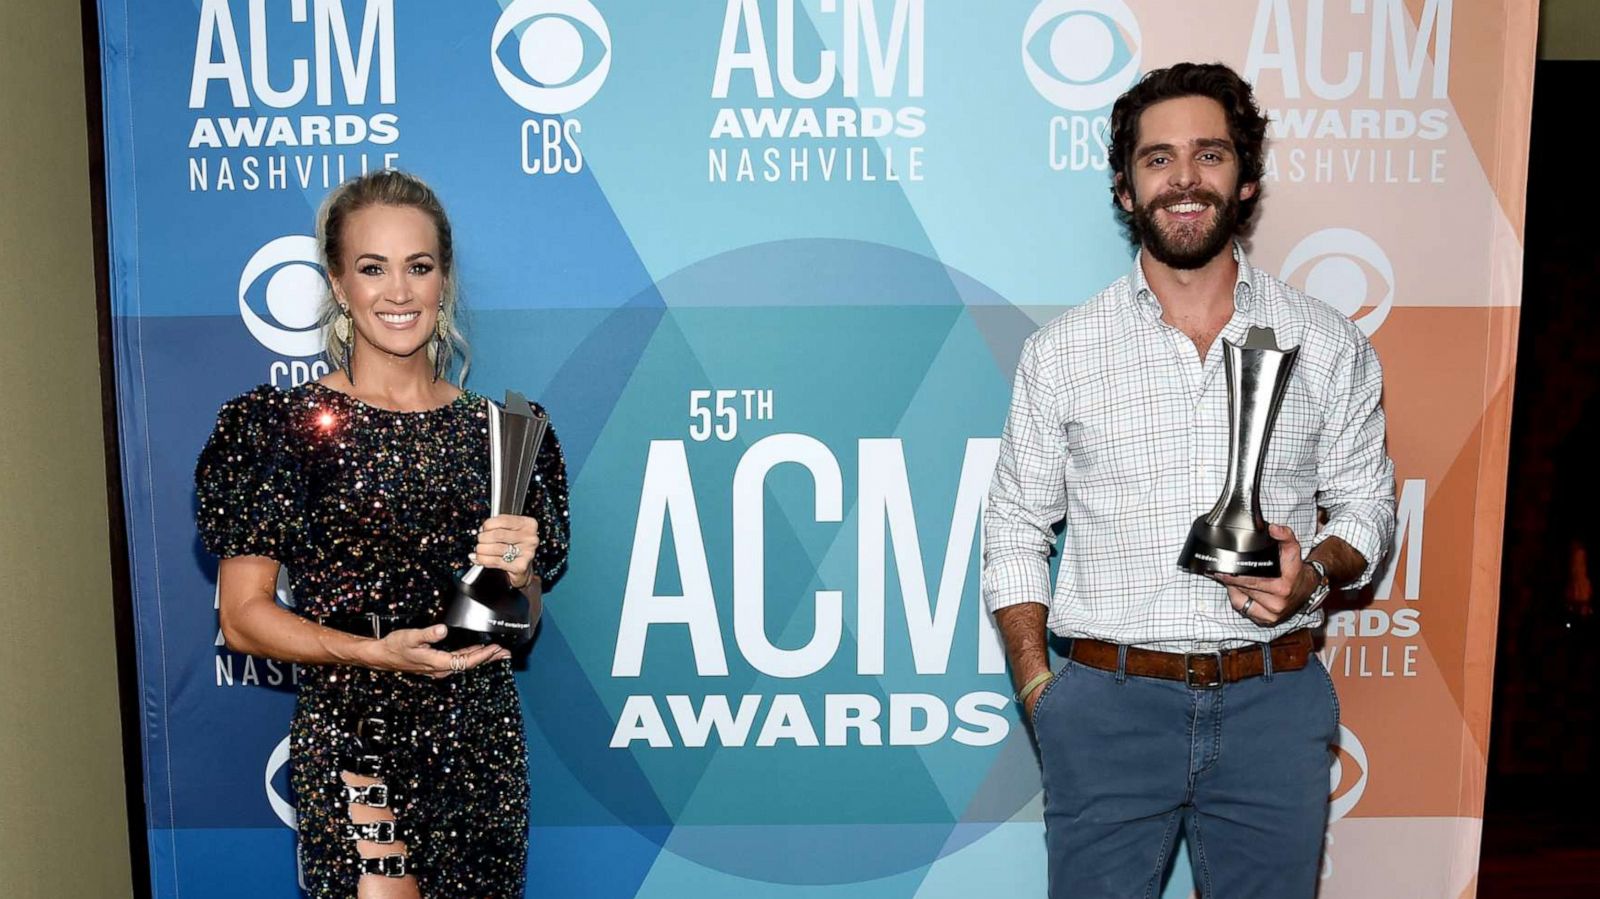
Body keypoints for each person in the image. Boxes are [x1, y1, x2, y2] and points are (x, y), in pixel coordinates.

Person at [981, 63, 1396, 898]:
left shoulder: (1327, 341)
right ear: (1127, 189)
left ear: (1244, 180)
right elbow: (1015, 528)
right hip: (1108, 708)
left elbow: (1368, 506)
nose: (1184, 180)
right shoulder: (1063, 353)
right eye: (1158, 158)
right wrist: (1041, 692)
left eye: (1209, 155)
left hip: (1272, 704)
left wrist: (1312, 572)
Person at [195, 169, 569, 898]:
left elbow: (521, 626)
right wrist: (376, 652)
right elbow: (242, 620)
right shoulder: (283, 429)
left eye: (418, 267)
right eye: (373, 268)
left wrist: (519, 579)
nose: (398, 292)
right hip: (358, 733)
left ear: (444, 280)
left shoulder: (504, 433)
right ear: (339, 283)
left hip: (479, 746)